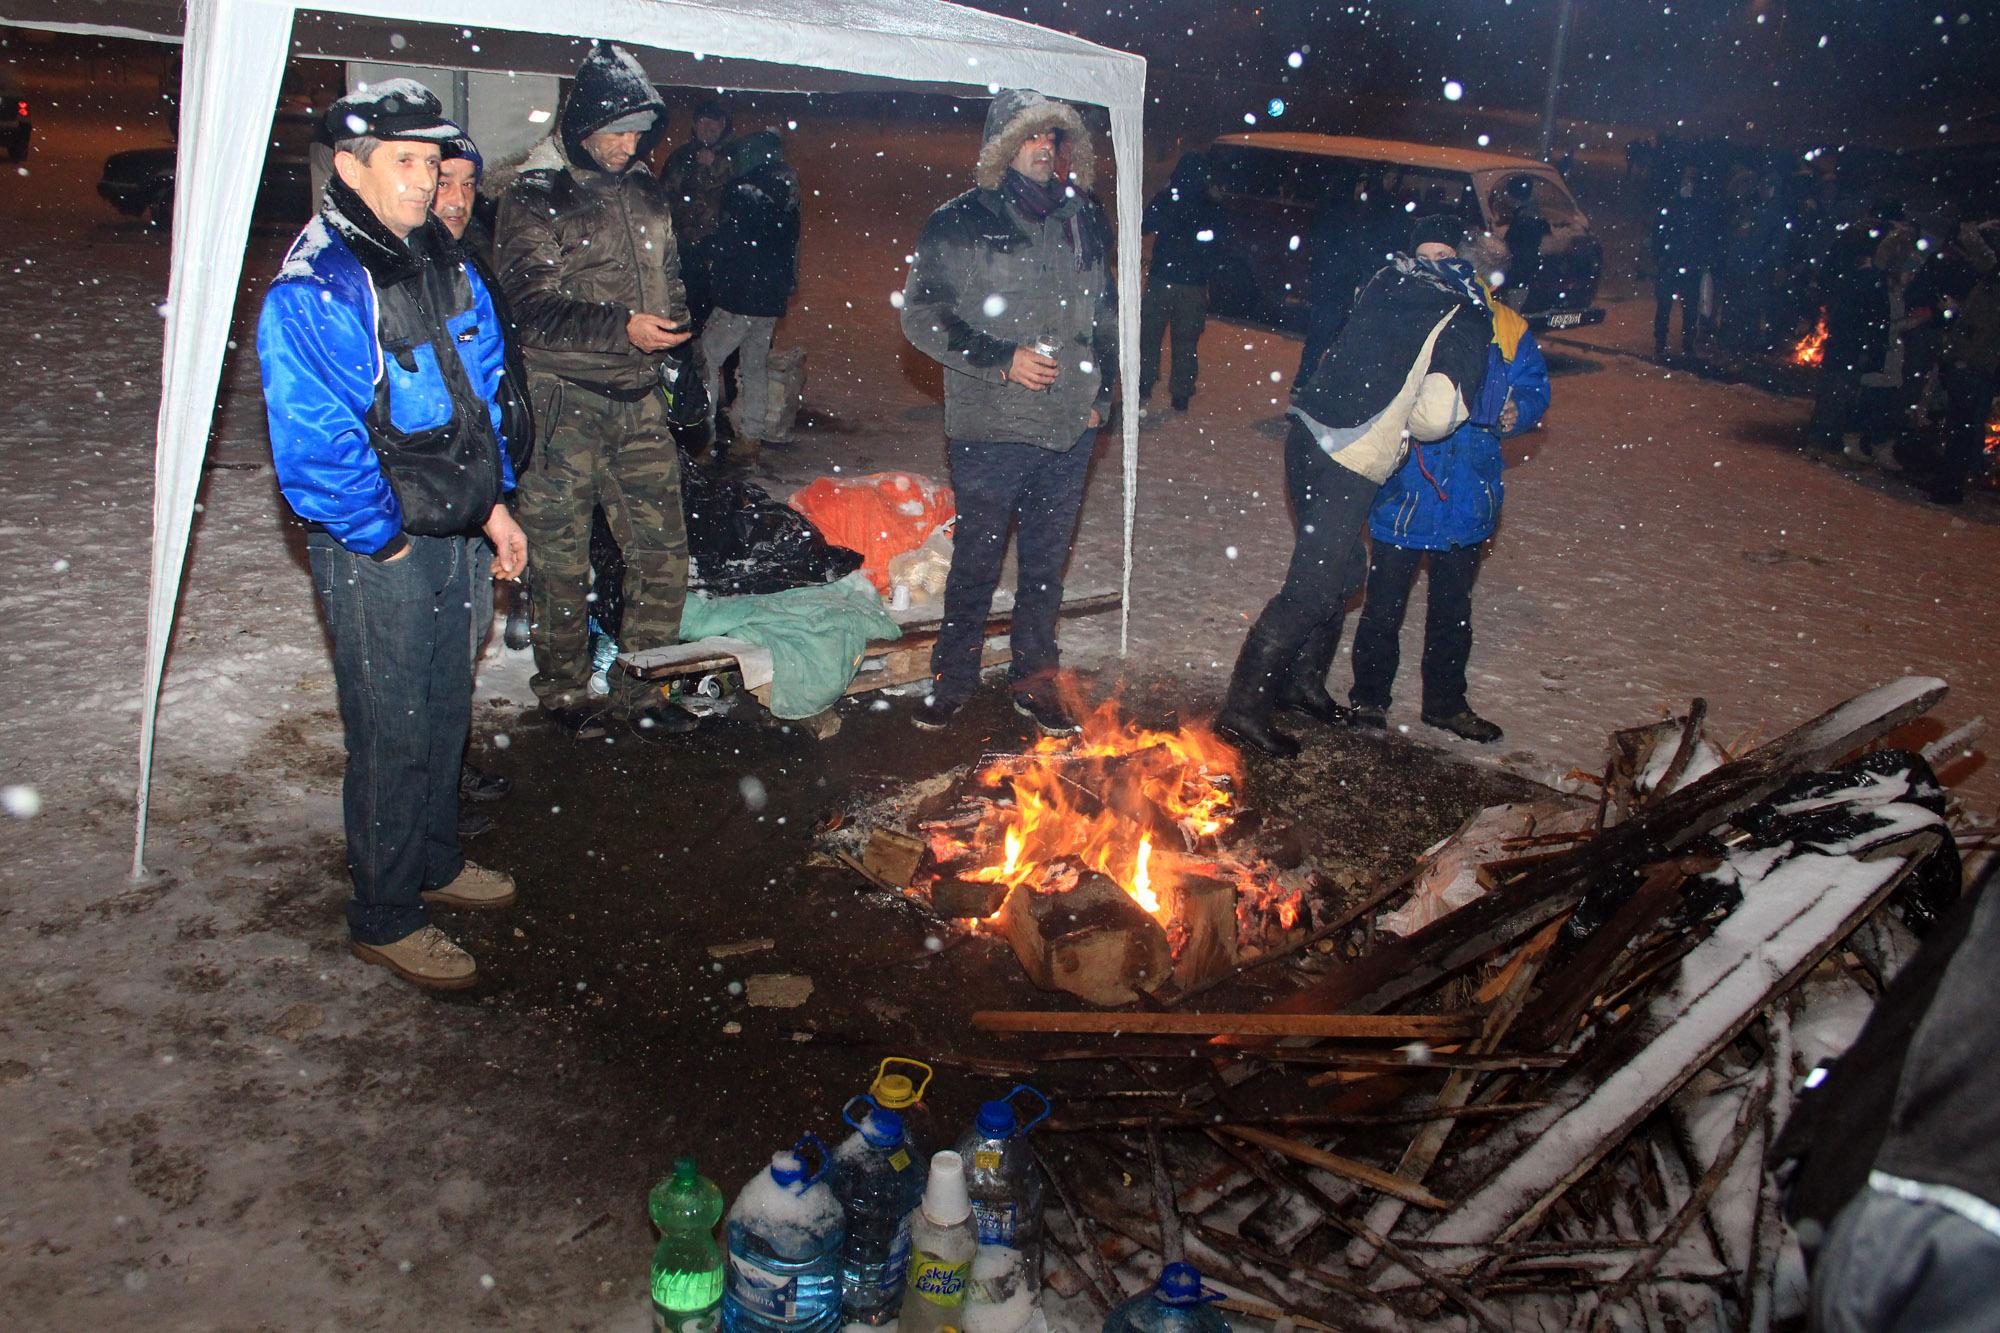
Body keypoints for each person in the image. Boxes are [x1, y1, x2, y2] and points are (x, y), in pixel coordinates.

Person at [257, 82, 526, 990]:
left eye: (433, 163)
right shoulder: (320, 284)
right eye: (404, 163)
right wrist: (384, 540)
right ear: (349, 167)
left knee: (446, 704)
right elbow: (317, 444)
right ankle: (385, 911)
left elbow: (478, 394)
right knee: (392, 724)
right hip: (384, 547)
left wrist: (493, 506)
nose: (426, 182)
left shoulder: (438, 257)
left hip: (455, 529)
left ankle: (436, 860)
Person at [1214, 215, 1490, 757]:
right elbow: (1436, 417)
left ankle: (1300, 685)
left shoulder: (1387, 280)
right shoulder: (1464, 310)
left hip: (1309, 435)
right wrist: (1409, 424)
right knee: (1313, 588)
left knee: (1345, 571)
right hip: (1351, 455)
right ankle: (1242, 711)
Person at [495, 42, 699, 740]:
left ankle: (641, 684)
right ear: (582, 124)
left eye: (639, 133)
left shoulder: (644, 189)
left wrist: (677, 345)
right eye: (616, 131)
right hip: (565, 407)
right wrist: (624, 329)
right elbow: (531, 308)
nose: (627, 145)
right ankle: (562, 691)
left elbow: (669, 277)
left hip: (639, 401)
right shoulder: (536, 194)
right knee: (560, 561)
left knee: (663, 549)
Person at [899, 88, 1117, 737]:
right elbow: (921, 315)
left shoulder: (1084, 216)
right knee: (977, 560)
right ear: (1003, 145)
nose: (1045, 149)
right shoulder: (959, 221)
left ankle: (1035, 678)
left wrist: (1102, 396)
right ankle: (954, 676)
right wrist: (1001, 357)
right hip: (991, 426)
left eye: (1053, 137)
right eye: (1032, 137)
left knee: (1046, 566)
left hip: (1068, 427)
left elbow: (1107, 313)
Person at [1348, 224, 1550, 745]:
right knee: (1383, 606)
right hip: (1404, 488)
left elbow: (1533, 386)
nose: (1437, 266)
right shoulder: (1397, 312)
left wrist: (1517, 411)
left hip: (1468, 490)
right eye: (1425, 255)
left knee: (1452, 612)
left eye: (1446, 256)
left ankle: (1445, 704)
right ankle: (1369, 698)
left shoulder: (1504, 324)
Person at [434, 133, 534, 832]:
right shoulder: (403, 271)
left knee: (461, 641)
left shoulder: (466, 259)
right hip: (428, 502)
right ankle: (430, 798)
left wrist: (496, 489)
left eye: (470, 185)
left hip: (473, 491)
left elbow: (489, 382)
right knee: (428, 655)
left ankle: (447, 768)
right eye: (444, 181)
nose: (457, 199)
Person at [699, 129, 801, 468]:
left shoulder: (742, 191)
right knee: (754, 362)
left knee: (707, 358)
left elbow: (729, 242)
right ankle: (751, 435)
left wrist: (708, 255)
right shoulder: (788, 190)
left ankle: (703, 435)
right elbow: (790, 247)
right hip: (769, 297)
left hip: (740, 295)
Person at [1137, 152, 1228, 412]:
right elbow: (1222, 241)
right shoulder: (1211, 204)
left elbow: (1145, 225)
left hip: (1162, 278)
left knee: (1150, 336)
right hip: (1194, 283)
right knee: (1186, 340)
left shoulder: (1169, 197)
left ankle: (1144, 383)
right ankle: (1181, 392)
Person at [1294, 175, 1402, 390]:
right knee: (1326, 338)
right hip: (1338, 284)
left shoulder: (1349, 210)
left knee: (1331, 340)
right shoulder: (1354, 212)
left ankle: (1314, 384)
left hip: (1340, 284)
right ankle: (1309, 384)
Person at [1930, 222, 2000, 505]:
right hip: (1978, 365)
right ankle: (1952, 482)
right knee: (1964, 427)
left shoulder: (1993, 283)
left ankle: (1950, 486)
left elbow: (1971, 237)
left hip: (1974, 363)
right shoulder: (1991, 281)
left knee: (1961, 428)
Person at [1806, 226, 1889, 455]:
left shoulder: (1855, 269)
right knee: (1839, 387)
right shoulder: (1870, 276)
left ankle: (1821, 434)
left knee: (1835, 385)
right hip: (1851, 338)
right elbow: (1871, 311)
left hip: (1845, 335)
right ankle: (1823, 437)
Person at [662, 97, 734, 328]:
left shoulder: (734, 157)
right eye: (703, 122)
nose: (708, 128)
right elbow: (663, 197)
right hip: (685, 244)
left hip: (720, 245)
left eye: (714, 123)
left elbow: (738, 195)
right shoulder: (680, 157)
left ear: (723, 125)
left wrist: (716, 166)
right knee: (689, 303)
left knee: (724, 309)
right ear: (694, 125)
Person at [1653, 162, 1720, 359]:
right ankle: (1661, 343)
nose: (1687, 185)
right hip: (1671, 264)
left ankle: (1687, 343)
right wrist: (1661, 256)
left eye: (1690, 181)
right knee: (1665, 306)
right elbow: (1658, 233)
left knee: (1689, 307)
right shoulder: (1672, 207)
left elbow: (1707, 237)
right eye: (1685, 181)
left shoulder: (1700, 209)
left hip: (1690, 266)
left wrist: (1702, 259)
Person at [1493, 176, 1549, 312]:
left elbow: (1514, 243)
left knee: (1512, 308)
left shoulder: (1525, 217)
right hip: (1524, 271)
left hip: (1519, 271)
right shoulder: (1532, 213)